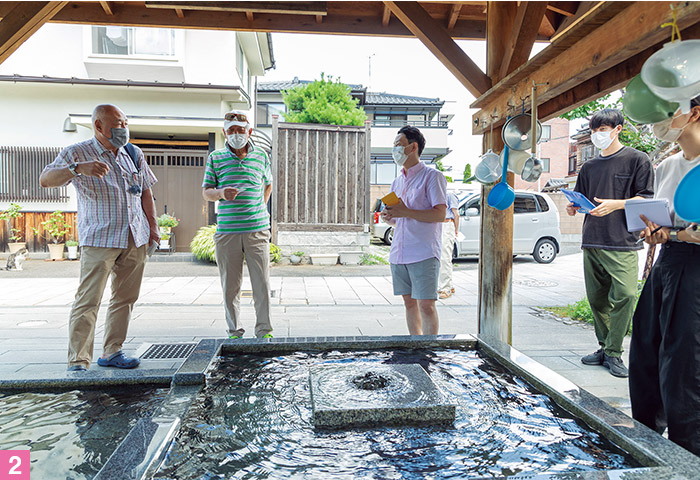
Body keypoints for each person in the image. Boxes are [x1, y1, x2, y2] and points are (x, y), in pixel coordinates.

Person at [39, 104, 159, 371]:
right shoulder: (77, 153)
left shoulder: (133, 152)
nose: (124, 128)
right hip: (100, 237)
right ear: (99, 126)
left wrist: (153, 230)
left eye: (126, 122)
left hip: (134, 235)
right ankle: (78, 360)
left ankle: (112, 351)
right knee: (88, 299)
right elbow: (46, 180)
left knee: (125, 298)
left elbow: (146, 193)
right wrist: (77, 169)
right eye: (118, 123)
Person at [629, 95, 700, 456]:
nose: (659, 121)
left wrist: (673, 233)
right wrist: (656, 230)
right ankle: (646, 446)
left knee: (684, 364)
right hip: (667, 262)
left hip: (696, 267)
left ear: (694, 113)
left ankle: (688, 456)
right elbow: (668, 220)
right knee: (644, 353)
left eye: (667, 112)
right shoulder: (669, 165)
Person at [566, 108, 653, 378]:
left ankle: (615, 353)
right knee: (597, 300)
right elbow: (581, 201)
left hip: (623, 241)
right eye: (593, 131)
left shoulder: (638, 159)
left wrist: (617, 204)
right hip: (592, 239)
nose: (597, 135)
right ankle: (605, 348)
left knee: (626, 295)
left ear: (618, 129)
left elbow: (647, 199)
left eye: (602, 130)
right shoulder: (589, 166)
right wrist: (573, 208)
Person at [202, 110, 273, 339]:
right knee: (230, 286)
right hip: (228, 232)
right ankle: (234, 331)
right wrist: (221, 193)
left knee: (261, 284)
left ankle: (264, 331)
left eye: (240, 130)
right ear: (224, 133)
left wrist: (259, 207)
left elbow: (268, 184)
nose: (236, 134)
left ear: (249, 132)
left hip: (257, 231)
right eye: (231, 130)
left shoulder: (261, 155)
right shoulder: (215, 157)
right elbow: (206, 192)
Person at [382, 126, 447, 335]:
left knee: (426, 305)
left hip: (424, 252)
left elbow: (439, 215)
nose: (395, 150)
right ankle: (415, 348)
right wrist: (389, 217)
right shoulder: (397, 181)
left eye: (398, 145)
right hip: (399, 253)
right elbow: (400, 218)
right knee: (409, 304)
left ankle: (428, 353)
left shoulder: (432, 176)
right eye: (394, 146)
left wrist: (406, 211)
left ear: (413, 147)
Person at [438, 191, 460, 299]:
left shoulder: (450, 195)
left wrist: (455, 230)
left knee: (445, 257)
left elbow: (456, 214)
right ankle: (448, 286)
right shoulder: (435, 194)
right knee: (441, 257)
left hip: (447, 224)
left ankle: (445, 288)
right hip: (438, 225)